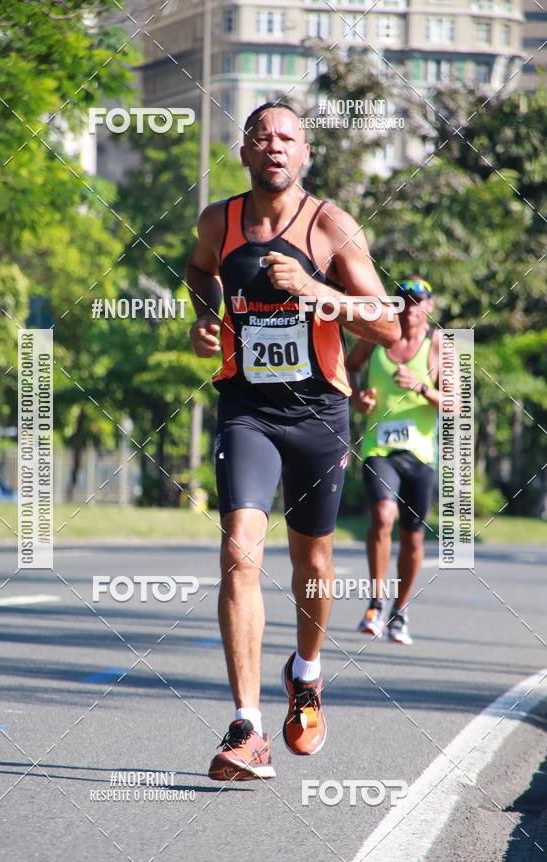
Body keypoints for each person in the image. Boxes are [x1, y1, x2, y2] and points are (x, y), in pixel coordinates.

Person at [186, 102, 400, 781]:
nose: (274, 148)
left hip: (317, 416)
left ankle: (305, 674)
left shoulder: (329, 225)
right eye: (261, 138)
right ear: (245, 152)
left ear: (304, 154)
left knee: (313, 562)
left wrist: (315, 289)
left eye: (287, 139)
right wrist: (202, 318)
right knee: (238, 551)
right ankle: (247, 726)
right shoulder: (218, 221)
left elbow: (388, 324)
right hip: (247, 410)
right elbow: (198, 273)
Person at [346, 278, 443, 646]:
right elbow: (348, 367)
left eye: (417, 301)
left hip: (420, 455)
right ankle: (376, 603)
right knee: (382, 516)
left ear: (429, 306)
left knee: (413, 538)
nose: (409, 307)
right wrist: (359, 396)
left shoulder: (437, 347)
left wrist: (421, 387)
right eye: (403, 301)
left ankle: (400, 611)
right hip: (379, 448)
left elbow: (457, 403)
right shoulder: (376, 337)